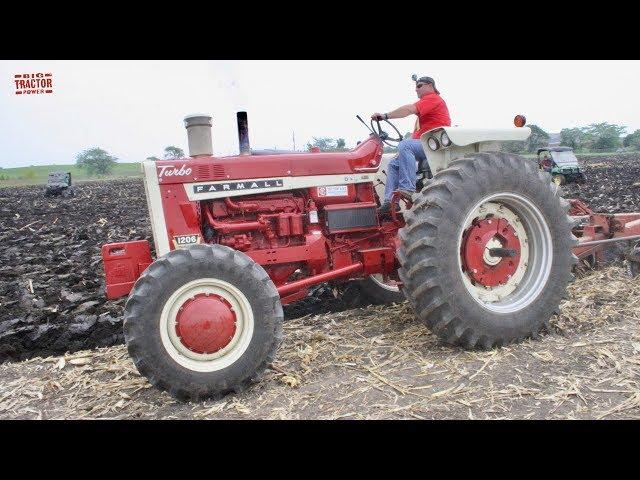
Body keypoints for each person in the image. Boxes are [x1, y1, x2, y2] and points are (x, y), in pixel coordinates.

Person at [372, 75, 451, 212]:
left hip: (435, 146)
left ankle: (407, 187)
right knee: (393, 163)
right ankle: (390, 203)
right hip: (424, 145)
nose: (416, 90)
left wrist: (385, 116)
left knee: (405, 145)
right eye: (416, 87)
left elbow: (409, 110)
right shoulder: (425, 112)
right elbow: (416, 136)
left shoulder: (433, 99)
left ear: (430, 86)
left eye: (419, 86)